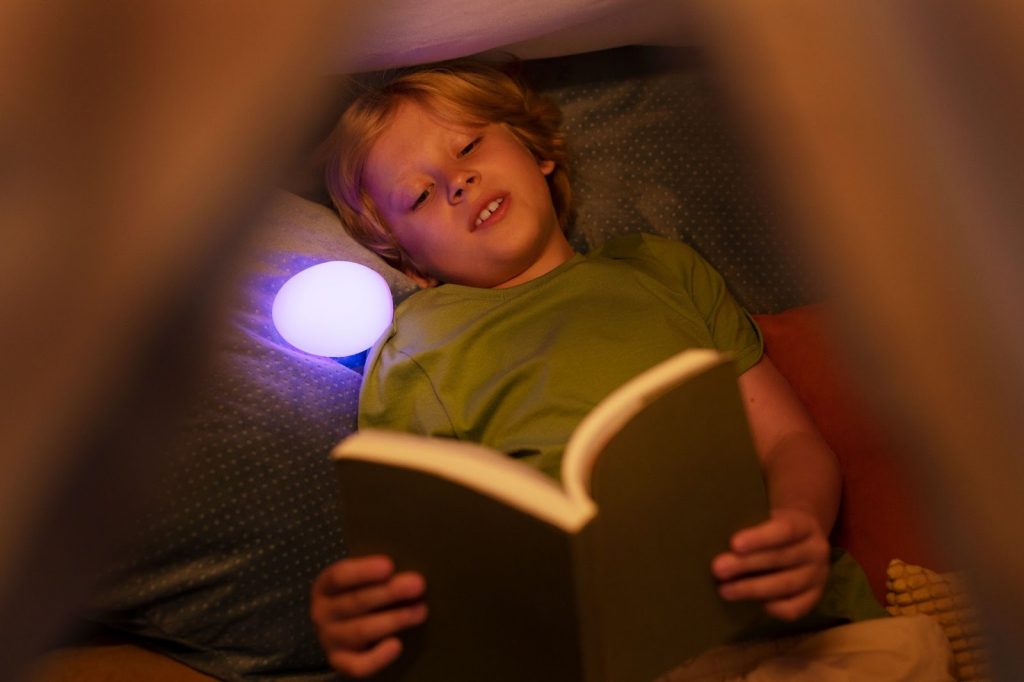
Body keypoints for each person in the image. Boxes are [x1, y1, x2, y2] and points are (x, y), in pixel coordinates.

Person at [310, 60, 951, 680]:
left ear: (537, 152)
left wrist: (800, 524)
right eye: (419, 195)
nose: (457, 182)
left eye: (470, 145)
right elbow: (412, 562)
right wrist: (366, 618)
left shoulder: (659, 267)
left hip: (792, 629)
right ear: (411, 262)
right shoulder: (418, 343)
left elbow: (789, 440)